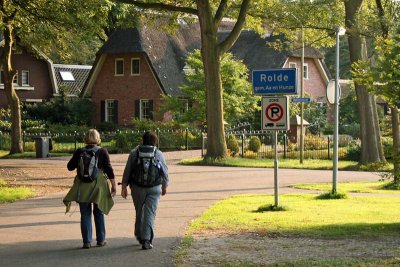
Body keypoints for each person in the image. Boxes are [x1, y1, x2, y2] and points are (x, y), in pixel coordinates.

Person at [63, 129, 116, 249]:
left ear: (85, 139)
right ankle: (101, 239)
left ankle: (87, 241)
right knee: (99, 211)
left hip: (83, 187)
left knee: (85, 214)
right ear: (98, 139)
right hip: (98, 186)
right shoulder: (102, 151)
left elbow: (69, 167)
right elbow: (109, 169)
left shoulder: (79, 151)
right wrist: (113, 185)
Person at [121, 131, 168, 250]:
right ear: (154, 141)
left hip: (137, 188)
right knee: (150, 213)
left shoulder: (134, 153)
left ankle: (139, 235)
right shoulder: (158, 153)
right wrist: (164, 186)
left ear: (142, 140)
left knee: (139, 212)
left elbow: (128, 170)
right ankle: (147, 240)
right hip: (154, 188)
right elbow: (164, 171)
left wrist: (124, 187)